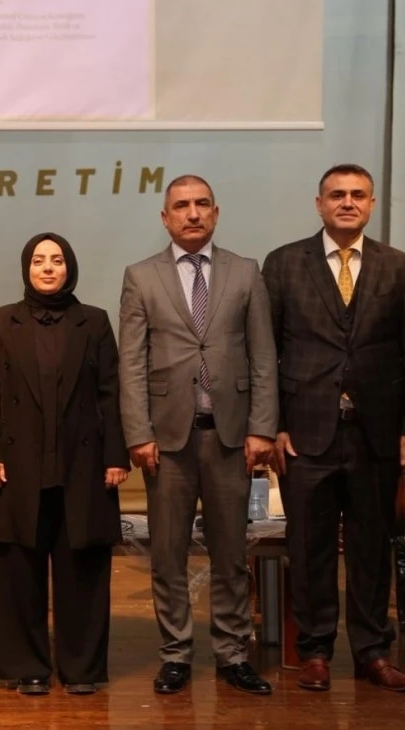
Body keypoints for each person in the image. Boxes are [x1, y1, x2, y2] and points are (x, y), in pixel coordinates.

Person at [263, 163, 405, 693]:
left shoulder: (397, 266)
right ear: (319, 204)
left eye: (358, 195)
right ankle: (314, 652)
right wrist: (274, 425)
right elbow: (266, 352)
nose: (347, 202)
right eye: (337, 195)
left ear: (371, 204)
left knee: (371, 547)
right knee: (308, 547)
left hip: (377, 434)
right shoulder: (285, 263)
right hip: (305, 433)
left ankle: (372, 652)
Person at [118, 175, 278, 695]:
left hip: (231, 436)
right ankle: (176, 655)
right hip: (167, 441)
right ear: (165, 217)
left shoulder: (245, 271)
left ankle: (233, 654)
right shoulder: (141, 276)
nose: (192, 213)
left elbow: (263, 356)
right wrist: (138, 432)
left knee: (231, 554)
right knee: (168, 554)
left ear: (216, 212)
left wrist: (262, 427)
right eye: (182, 205)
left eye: (202, 204)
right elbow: (132, 363)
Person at [0, 232, 127, 695]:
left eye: (56, 260)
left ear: (69, 268)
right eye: (38, 260)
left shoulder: (94, 321)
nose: (47, 268)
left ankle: (81, 669)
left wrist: (116, 456)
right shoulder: (1, 321)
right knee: (17, 571)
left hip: (83, 463)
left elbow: (110, 392)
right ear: (26, 268)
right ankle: (27, 667)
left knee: (82, 568)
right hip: (15, 465)